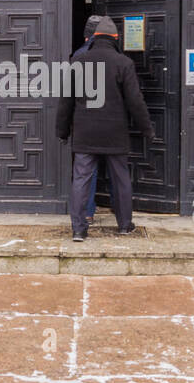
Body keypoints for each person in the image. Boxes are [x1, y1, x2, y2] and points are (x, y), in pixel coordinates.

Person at [56, 15, 154, 240]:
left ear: (93, 37)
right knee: (120, 179)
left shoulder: (78, 62)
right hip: (114, 133)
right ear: (116, 38)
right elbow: (135, 101)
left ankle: (79, 229)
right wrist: (147, 129)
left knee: (81, 179)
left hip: (85, 132)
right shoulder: (123, 63)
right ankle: (124, 225)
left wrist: (62, 131)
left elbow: (66, 100)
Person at [71, 15, 112, 222]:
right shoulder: (113, 55)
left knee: (86, 170)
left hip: (86, 120)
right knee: (117, 167)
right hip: (112, 120)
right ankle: (121, 209)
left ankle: (86, 213)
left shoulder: (79, 56)